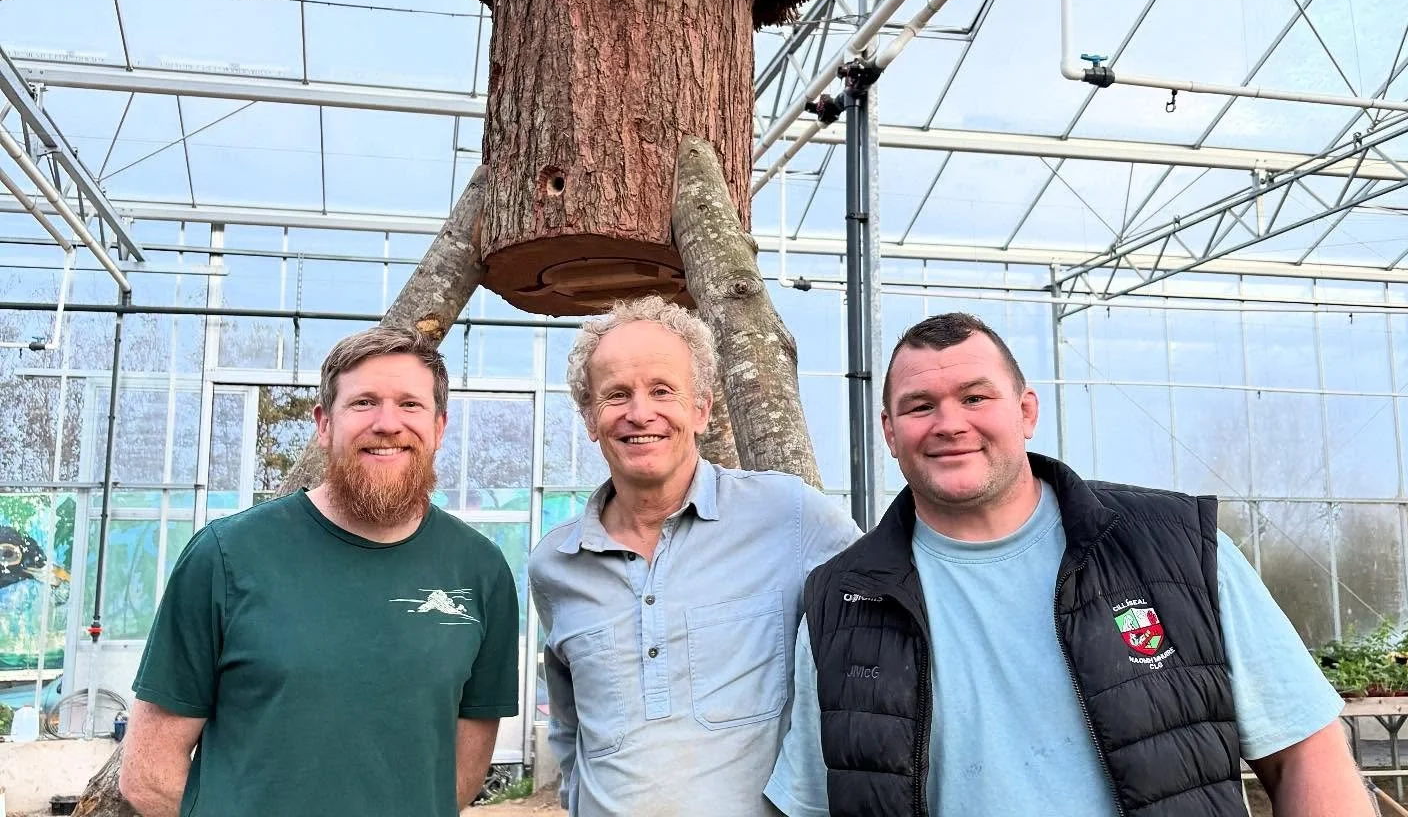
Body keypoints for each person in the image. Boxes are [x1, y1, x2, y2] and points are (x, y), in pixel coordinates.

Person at [766, 311, 1371, 817]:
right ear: (890, 432)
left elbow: (1303, 751)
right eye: (920, 406)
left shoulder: (1177, 547)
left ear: (1026, 411)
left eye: (975, 397)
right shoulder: (841, 599)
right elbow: (819, 804)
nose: (950, 424)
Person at [119, 327, 520, 817]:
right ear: (324, 424)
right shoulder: (228, 556)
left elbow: (459, 774)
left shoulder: (480, 571)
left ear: (440, 426)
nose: (387, 423)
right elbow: (149, 772)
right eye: (363, 403)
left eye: (410, 405)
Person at [529, 294, 858, 817]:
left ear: (701, 407)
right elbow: (570, 727)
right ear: (590, 418)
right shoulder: (556, 563)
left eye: (663, 390)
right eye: (616, 395)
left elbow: (881, 631)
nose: (641, 413)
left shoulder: (789, 516)